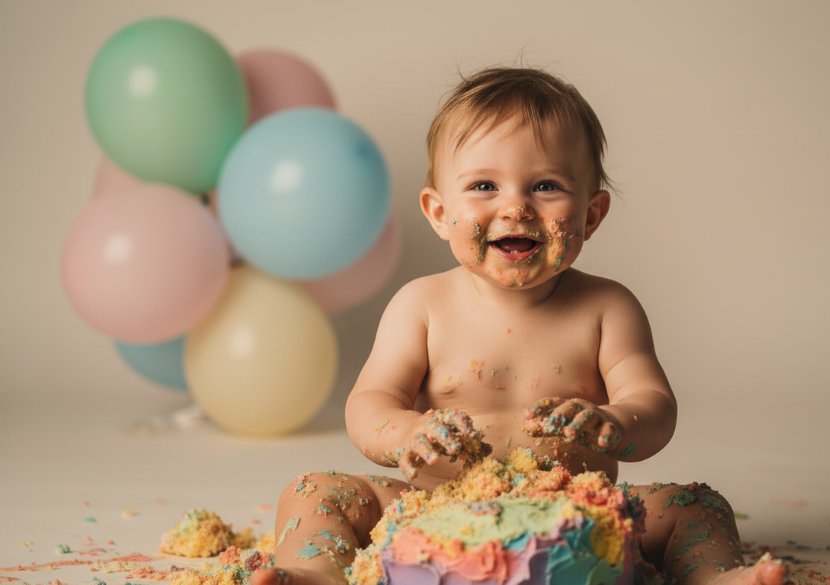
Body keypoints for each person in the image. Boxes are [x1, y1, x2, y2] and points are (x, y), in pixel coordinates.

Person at [253, 67, 787, 585]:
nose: (515, 207)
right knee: (313, 491)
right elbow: (369, 403)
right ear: (439, 213)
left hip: (578, 515)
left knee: (694, 504)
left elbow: (655, 404)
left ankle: (715, 575)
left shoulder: (607, 308)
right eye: (484, 185)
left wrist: (617, 422)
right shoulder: (422, 304)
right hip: (437, 510)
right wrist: (407, 434)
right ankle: (315, 572)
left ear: (591, 215)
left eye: (546, 186)